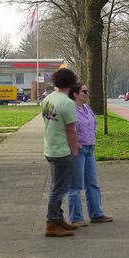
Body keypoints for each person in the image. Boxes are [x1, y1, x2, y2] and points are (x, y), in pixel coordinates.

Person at [42, 68, 80, 238]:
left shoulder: (48, 98)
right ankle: (51, 223)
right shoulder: (67, 103)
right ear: (72, 83)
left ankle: (58, 219)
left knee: (56, 186)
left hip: (50, 148)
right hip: (62, 151)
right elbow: (71, 130)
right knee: (58, 189)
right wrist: (74, 150)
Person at [67, 82, 112, 226]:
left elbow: (93, 124)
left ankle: (96, 214)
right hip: (78, 151)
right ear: (75, 94)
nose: (87, 93)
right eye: (84, 91)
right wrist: (75, 144)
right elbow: (67, 129)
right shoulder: (70, 109)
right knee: (76, 185)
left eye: (87, 91)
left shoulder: (87, 108)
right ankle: (76, 218)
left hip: (90, 149)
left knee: (92, 183)